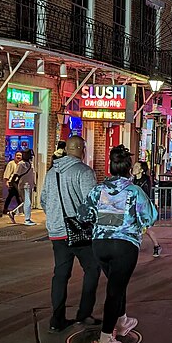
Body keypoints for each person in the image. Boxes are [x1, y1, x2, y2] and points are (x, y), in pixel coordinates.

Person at [78, 145, 157, 343]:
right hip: (124, 245)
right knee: (114, 290)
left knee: (117, 283)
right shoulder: (134, 191)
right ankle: (105, 339)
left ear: (111, 167)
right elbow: (150, 216)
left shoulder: (98, 190)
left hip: (100, 244)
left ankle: (121, 321)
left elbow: (83, 215)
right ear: (129, 169)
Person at [40, 136, 102, 332]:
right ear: (81, 149)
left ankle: (56, 320)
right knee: (92, 269)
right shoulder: (84, 172)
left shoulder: (51, 173)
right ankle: (84, 314)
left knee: (60, 274)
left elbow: (43, 200)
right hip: (80, 232)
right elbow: (91, 203)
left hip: (57, 231)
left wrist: (55, 217)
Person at [132, 161, 162, 258]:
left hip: (142, 209)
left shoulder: (145, 181)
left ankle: (157, 245)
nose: (134, 168)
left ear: (141, 170)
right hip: (134, 207)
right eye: (134, 166)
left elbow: (145, 196)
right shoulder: (133, 180)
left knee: (146, 229)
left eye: (137, 167)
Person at [15, 150, 36, 226]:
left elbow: (32, 175)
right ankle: (27, 219)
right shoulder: (21, 164)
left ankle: (13, 212)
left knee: (27, 202)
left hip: (30, 185)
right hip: (24, 185)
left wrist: (34, 184)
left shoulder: (30, 163)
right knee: (27, 202)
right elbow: (16, 174)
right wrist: (12, 184)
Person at [3, 151, 23, 218]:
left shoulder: (21, 164)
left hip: (18, 182)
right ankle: (19, 210)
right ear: (15, 156)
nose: (18, 157)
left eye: (20, 155)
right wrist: (7, 181)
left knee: (12, 196)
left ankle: (6, 209)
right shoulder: (11, 163)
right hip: (12, 182)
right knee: (17, 195)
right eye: (17, 155)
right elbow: (7, 172)